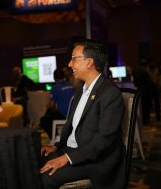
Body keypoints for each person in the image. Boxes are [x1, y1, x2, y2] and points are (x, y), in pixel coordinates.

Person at [40, 39, 126, 189]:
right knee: (32, 161)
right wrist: (57, 147)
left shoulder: (110, 94)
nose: (69, 64)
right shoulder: (81, 89)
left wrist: (66, 158)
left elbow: (103, 141)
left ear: (89, 62)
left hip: (96, 160)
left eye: (74, 59)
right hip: (74, 151)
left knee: (46, 177)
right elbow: (74, 129)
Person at [39, 68, 74, 139]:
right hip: (73, 114)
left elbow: (52, 106)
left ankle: (54, 137)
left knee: (43, 120)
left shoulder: (55, 88)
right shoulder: (71, 85)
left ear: (54, 77)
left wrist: (47, 106)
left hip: (64, 115)